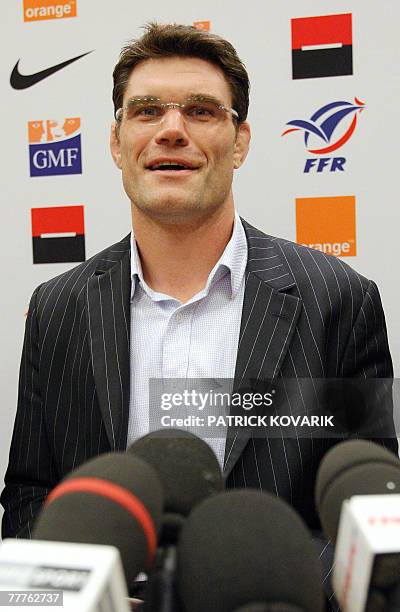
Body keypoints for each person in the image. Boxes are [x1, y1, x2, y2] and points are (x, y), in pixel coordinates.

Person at [1, 22, 397, 607]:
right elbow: (33, 494)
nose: (171, 130)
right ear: (117, 142)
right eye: (146, 111)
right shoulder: (59, 308)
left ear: (239, 142)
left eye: (201, 111)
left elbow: (366, 513)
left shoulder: (336, 299)